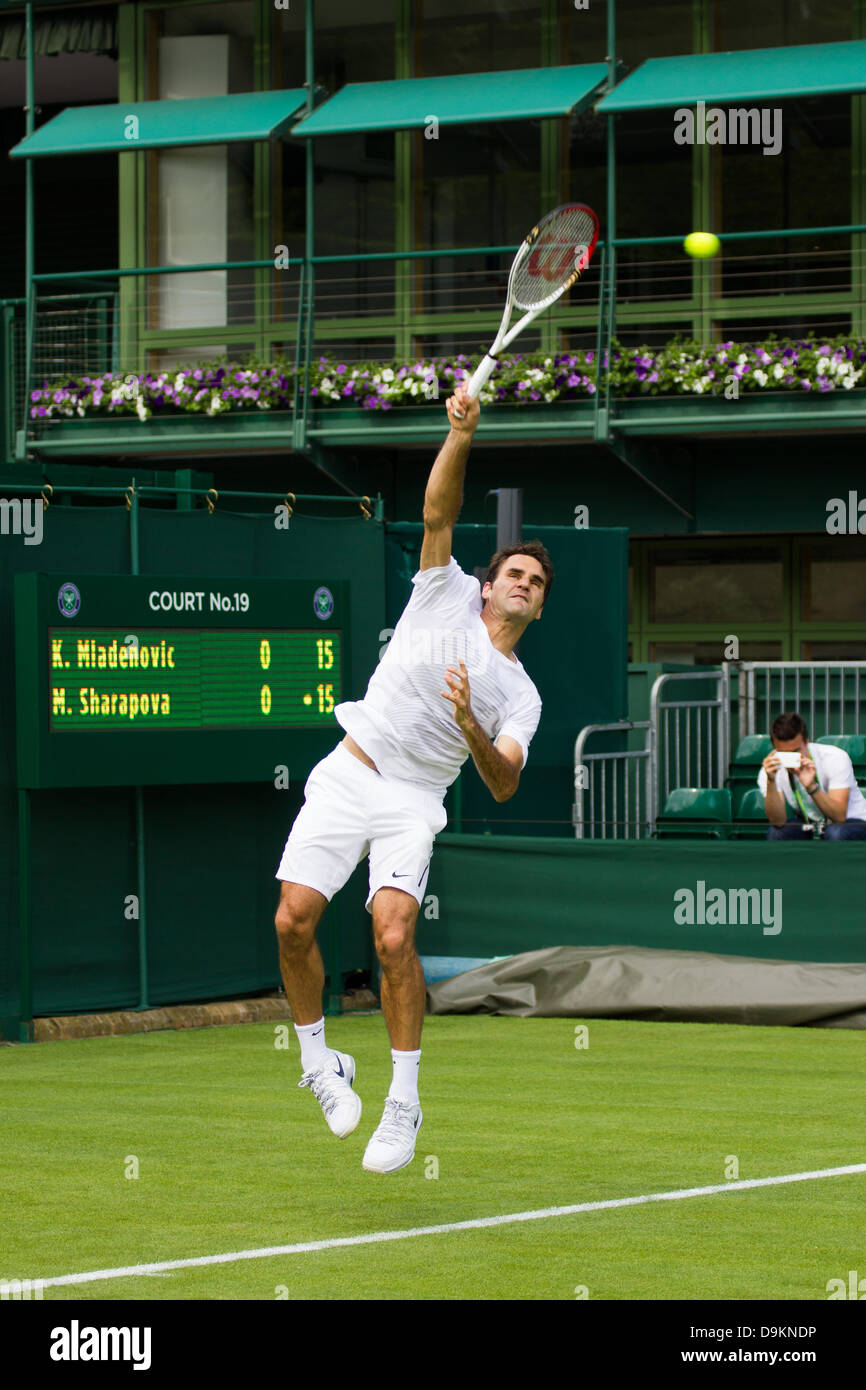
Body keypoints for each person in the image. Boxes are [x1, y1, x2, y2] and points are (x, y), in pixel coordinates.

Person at [273, 385, 551, 1172]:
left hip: (411, 803)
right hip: (351, 769)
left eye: (537, 581)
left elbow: (502, 785)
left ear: (538, 606)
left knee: (393, 935)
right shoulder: (445, 589)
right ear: (488, 584)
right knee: (293, 922)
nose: (524, 583)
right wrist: (459, 432)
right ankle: (319, 1064)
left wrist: (468, 723)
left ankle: (403, 1101)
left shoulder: (522, 695)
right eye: (515, 573)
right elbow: (439, 511)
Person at [758, 712, 866, 840]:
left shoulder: (835, 758)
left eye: (795, 751)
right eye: (783, 753)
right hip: (812, 825)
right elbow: (777, 822)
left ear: (807, 742)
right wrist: (771, 781)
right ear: (774, 748)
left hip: (852, 822)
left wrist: (811, 787)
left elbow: (839, 817)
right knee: (776, 833)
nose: (790, 758)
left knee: (835, 832)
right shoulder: (770, 769)